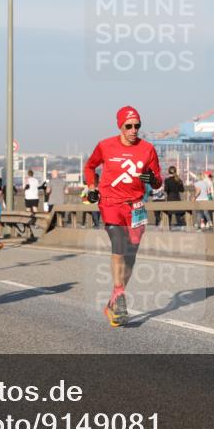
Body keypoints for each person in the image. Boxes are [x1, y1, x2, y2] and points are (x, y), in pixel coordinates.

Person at [84, 105, 162, 327]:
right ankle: (120, 296)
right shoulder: (105, 146)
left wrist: (151, 179)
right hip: (110, 203)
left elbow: (158, 181)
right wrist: (92, 186)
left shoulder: (147, 149)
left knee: (131, 255)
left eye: (137, 125)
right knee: (118, 245)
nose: (133, 130)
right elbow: (90, 166)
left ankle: (113, 300)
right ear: (120, 126)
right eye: (129, 126)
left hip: (136, 207)